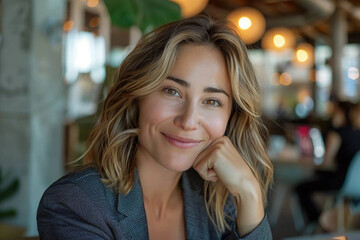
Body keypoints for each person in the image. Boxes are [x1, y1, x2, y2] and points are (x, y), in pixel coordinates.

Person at [37, 15, 273, 239]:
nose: (188, 121)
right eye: (172, 91)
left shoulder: (222, 205)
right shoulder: (78, 203)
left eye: (212, 101)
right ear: (138, 95)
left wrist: (250, 194)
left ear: (231, 117)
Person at [295, 101, 360, 228]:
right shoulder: (357, 133)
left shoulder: (337, 133)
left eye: (335, 111)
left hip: (341, 182)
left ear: (341, 113)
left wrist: (309, 162)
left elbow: (326, 162)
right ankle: (332, 217)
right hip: (356, 185)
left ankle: (317, 220)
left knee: (301, 188)